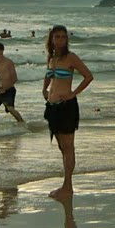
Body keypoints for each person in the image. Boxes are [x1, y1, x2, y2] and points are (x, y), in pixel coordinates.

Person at [43, 25, 94, 200]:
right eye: (57, 37)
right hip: (52, 107)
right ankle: (66, 185)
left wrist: (73, 93)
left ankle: (68, 186)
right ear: (51, 39)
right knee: (61, 147)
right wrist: (44, 89)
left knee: (68, 147)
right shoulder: (52, 57)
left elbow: (88, 76)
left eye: (63, 37)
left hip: (66, 107)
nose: (60, 40)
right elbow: (49, 75)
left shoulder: (71, 58)